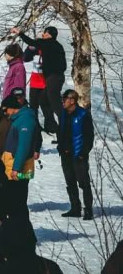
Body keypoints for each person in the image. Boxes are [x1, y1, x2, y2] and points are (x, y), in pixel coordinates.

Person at [12, 25, 66, 137]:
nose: (43, 34)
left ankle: (66, 125)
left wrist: (20, 33)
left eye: (45, 33)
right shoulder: (57, 45)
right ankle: (53, 125)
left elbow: (31, 42)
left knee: (54, 102)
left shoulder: (47, 43)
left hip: (53, 76)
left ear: (48, 34)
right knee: (43, 99)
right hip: (54, 76)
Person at [1, 94, 40, 219]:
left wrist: (16, 168)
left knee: (17, 203)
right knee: (13, 203)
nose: (5, 113)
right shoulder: (18, 119)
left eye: (5, 110)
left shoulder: (26, 120)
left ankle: (23, 234)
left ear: (12, 108)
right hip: (13, 168)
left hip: (19, 171)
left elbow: (24, 146)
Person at [57, 89, 94, 220]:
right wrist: (60, 147)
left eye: (65, 99)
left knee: (84, 183)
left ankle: (88, 209)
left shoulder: (83, 114)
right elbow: (59, 132)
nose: (62, 101)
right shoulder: (63, 114)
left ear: (72, 100)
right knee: (70, 182)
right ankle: (75, 208)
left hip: (78, 155)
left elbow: (89, 137)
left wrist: (83, 153)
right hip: (65, 155)